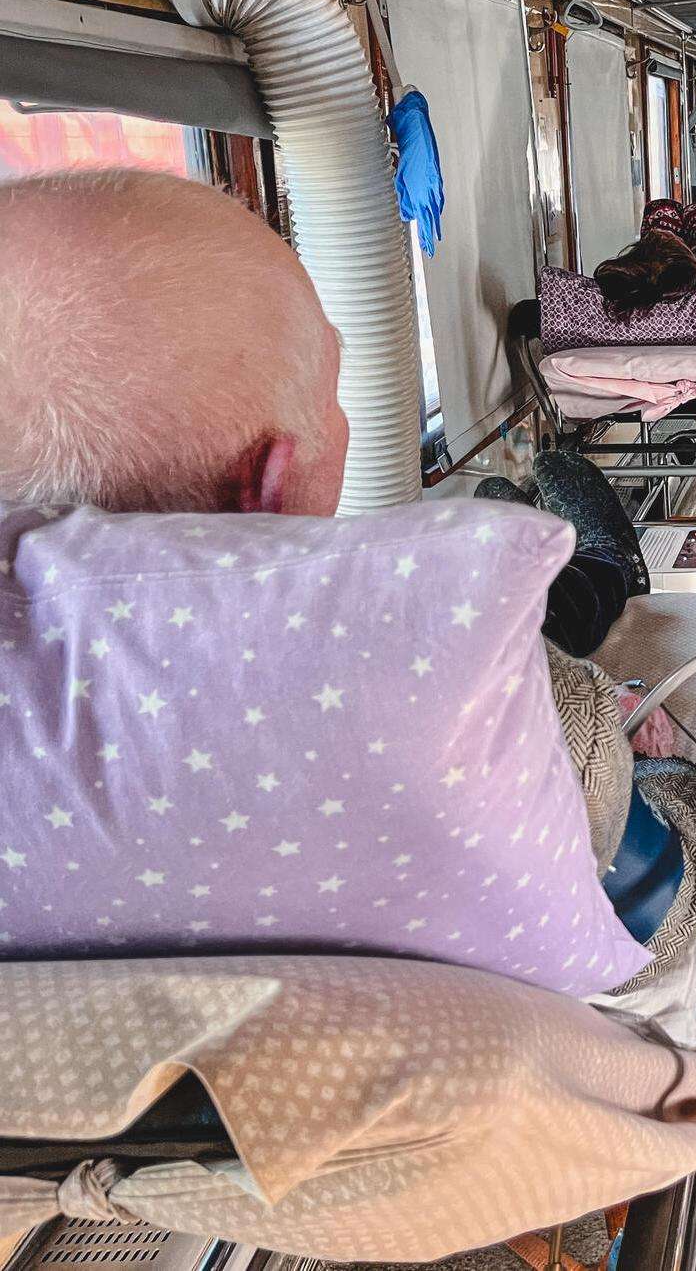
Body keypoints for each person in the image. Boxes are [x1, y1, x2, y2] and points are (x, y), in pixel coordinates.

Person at [0, 168, 647, 864]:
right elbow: (657, 910)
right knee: (553, 597)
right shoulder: (460, 690)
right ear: (263, 487)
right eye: (331, 390)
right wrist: (639, 763)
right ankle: (608, 566)